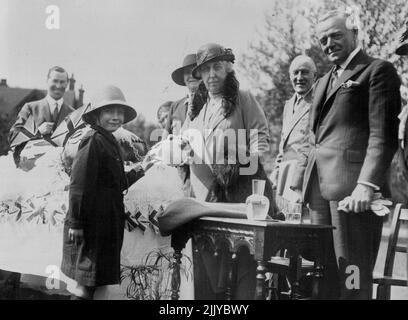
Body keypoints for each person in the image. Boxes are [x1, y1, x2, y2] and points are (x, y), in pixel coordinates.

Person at [291, 10, 401, 299]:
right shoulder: (324, 80)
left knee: (352, 273)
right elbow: (312, 139)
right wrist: (297, 184)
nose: (328, 43)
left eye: (336, 35)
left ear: (355, 33)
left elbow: (383, 136)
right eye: (323, 39)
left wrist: (366, 185)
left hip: (353, 195)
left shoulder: (377, 70)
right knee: (323, 271)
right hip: (318, 192)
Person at [181, 43, 274, 299]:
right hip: (205, 196)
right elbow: (187, 142)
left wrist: (244, 165)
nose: (212, 75)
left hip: (239, 194)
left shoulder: (243, 98)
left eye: (218, 67)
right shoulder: (198, 106)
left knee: (244, 260)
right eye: (206, 69)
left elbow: (260, 138)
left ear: (228, 69)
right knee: (209, 265)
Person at [60, 85, 150, 300]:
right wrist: (76, 223)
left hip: (104, 226)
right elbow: (79, 185)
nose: (116, 117)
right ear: (97, 115)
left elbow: (116, 182)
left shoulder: (109, 141)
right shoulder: (93, 141)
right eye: (110, 111)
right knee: (85, 285)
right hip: (91, 226)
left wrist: (141, 169)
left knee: (96, 282)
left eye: (120, 112)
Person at [271, 55, 317, 207]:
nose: (299, 77)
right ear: (290, 76)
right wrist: (276, 172)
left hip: (303, 174)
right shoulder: (288, 105)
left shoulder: (318, 101)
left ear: (314, 75)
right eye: (295, 73)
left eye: (304, 72)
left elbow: (314, 144)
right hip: (284, 174)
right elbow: (283, 144)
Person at [9, 66, 74, 165]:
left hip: (61, 172)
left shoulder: (73, 113)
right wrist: (37, 131)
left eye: (62, 82)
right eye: (55, 81)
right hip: (34, 170)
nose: (58, 85)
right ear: (47, 81)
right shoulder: (30, 108)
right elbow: (13, 137)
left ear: (67, 83)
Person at [165, 53, 200, 135]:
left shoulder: (211, 103)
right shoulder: (175, 106)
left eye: (195, 71)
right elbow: (165, 139)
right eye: (187, 72)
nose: (191, 75)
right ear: (183, 78)